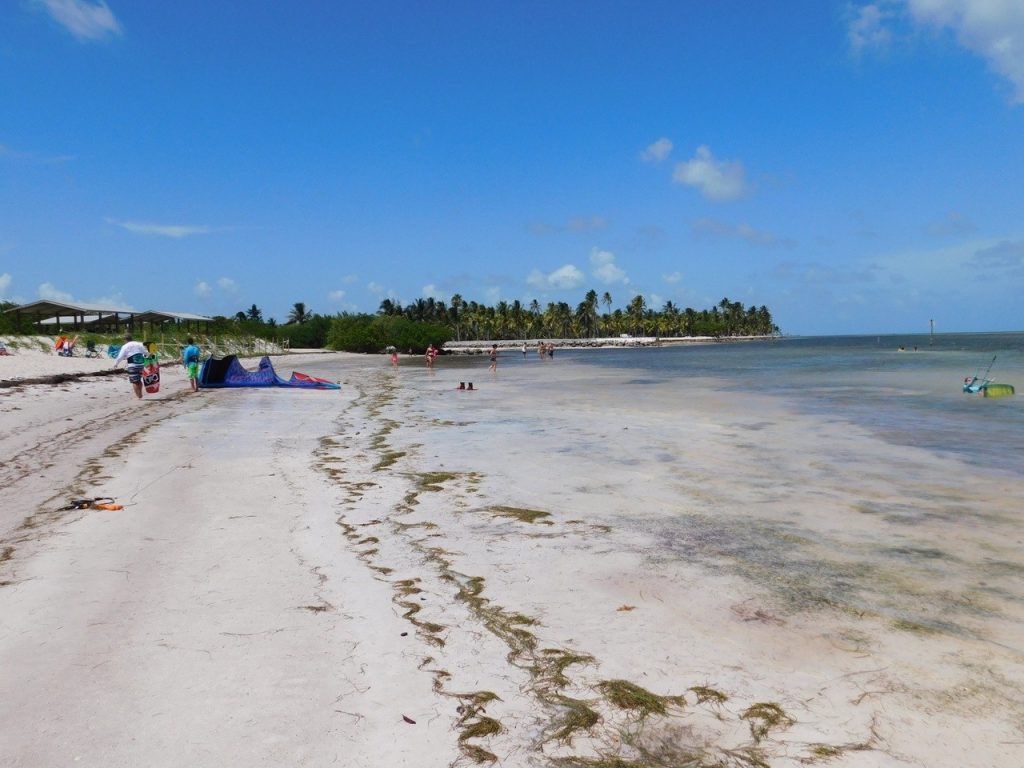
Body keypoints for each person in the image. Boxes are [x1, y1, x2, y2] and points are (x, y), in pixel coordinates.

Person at [113, 333, 150, 399]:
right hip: (141, 364)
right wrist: (149, 356)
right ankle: (140, 393)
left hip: (132, 365)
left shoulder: (125, 346)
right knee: (139, 380)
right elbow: (146, 352)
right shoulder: (139, 344)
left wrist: (116, 364)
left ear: (124, 340)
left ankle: (139, 396)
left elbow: (120, 356)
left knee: (135, 381)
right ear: (131, 338)